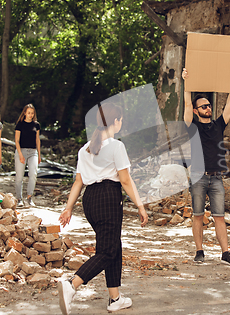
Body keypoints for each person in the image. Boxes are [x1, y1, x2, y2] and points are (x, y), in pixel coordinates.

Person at [57, 102, 148, 315]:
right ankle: (72, 285)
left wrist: (68, 208)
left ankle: (115, 298)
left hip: (90, 201)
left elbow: (78, 182)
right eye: (121, 120)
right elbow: (125, 180)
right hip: (108, 197)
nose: (122, 123)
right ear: (115, 122)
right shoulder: (117, 146)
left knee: (113, 245)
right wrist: (140, 205)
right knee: (107, 250)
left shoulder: (85, 149)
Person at [182, 67, 230, 266]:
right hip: (198, 176)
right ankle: (199, 251)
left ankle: (226, 253)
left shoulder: (219, 124)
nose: (208, 108)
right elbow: (185, 102)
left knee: (219, 217)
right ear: (196, 111)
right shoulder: (192, 126)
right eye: (203, 106)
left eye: (209, 105)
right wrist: (186, 83)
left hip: (217, 177)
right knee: (198, 216)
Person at [14, 104, 41, 207]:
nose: (30, 115)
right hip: (21, 151)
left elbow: (37, 140)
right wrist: (20, 154)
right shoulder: (20, 124)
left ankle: (29, 198)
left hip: (33, 152)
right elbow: (16, 140)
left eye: (32, 113)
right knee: (19, 177)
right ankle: (19, 199)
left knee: (33, 174)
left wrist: (39, 154)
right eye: (29, 113)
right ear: (24, 113)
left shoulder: (36, 125)